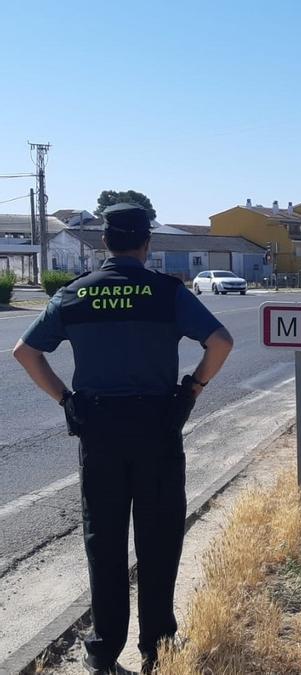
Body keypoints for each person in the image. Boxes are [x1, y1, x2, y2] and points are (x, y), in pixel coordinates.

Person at [11, 203, 234, 675]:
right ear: (146, 244)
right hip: (156, 427)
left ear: (104, 244)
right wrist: (191, 389)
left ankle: (103, 653)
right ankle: (158, 648)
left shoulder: (75, 295)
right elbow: (221, 343)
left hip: (99, 431)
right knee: (159, 539)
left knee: (104, 542)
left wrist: (65, 400)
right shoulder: (166, 293)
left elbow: (25, 352)